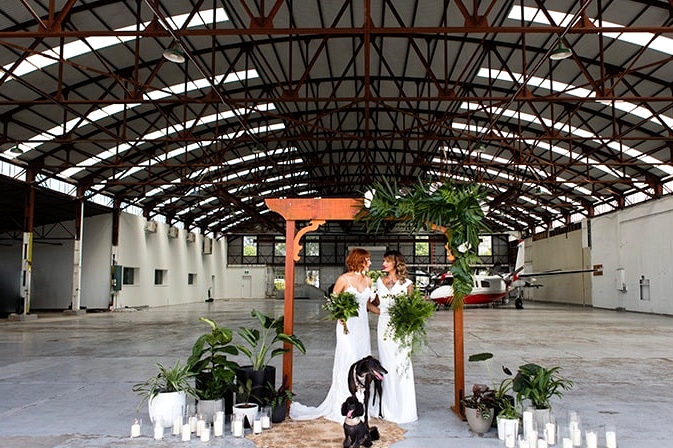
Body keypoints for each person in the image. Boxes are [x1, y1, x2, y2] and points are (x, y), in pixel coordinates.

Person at [290, 248, 373, 422]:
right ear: (359, 260)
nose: (370, 263)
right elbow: (333, 302)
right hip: (347, 327)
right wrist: (341, 316)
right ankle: (343, 403)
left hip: (362, 328)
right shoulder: (343, 279)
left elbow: (368, 305)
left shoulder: (369, 280)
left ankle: (360, 404)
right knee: (348, 359)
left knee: (362, 362)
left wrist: (387, 313)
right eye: (368, 259)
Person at [368, 249, 418, 423]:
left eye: (387, 261)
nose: (383, 264)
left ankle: (404, 409)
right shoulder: (379, 282)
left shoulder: (407, 284)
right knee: (386, 364)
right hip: (384, 327)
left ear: (396, 263)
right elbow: (371, 305)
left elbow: (414, 308)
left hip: (402, 329)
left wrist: (406, 321)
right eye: (384, 261)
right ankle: (387, 407)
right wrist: (382, 313)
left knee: (402, 364)